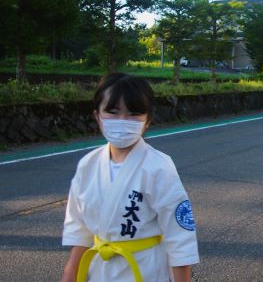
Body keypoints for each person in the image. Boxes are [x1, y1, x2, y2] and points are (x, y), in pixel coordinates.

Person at [61, 73, 199, 282]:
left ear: (147, 121)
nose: (122, 121)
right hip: (99, 271)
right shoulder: (88, 165)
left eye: (133, 113)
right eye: (112, 112)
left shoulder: (159, 167)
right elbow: (79, 228)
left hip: (145, 270)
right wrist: (70, 272)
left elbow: (179, 234)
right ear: (97, 116)